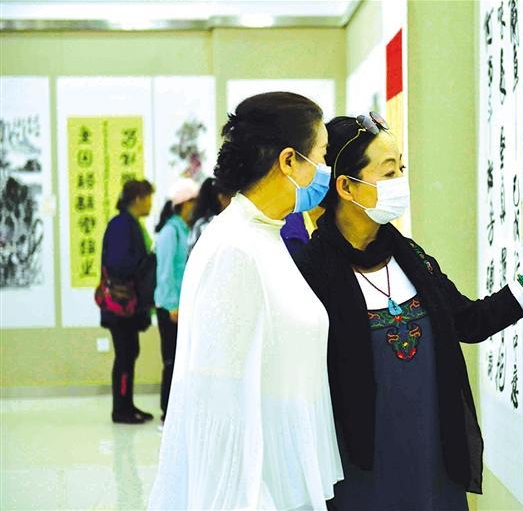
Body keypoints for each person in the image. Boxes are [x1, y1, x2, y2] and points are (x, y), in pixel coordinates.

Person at [293, 113, 523, 511]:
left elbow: (471, 321)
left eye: (401, 168)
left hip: (434, 461)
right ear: (346, 186)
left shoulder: (410, 258)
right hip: (361, 472)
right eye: (388, 172)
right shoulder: (309, 273)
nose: (400, 181)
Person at [148, 92, 343, 510]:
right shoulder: (235, 249)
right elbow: (216, 404)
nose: (326, 170)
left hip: (282, 476)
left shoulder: (264, 234)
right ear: (289, 161)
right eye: (323, 155)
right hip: (254, 492)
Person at [99, 179, 156, 425]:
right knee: (124, 355)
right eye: (148, 198)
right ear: (138, 199)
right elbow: (119, 264)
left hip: (127, 307)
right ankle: (121, 410)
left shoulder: (129, 224)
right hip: (120, 306)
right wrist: (147, 263)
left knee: (129, 353)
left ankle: (127, 405)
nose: (150, 204)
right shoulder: (122, 225)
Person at [154, 178, 199, 423]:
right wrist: (173, 305)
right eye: (193, 202)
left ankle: (178, 413)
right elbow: (165, 273)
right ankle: (166, 413)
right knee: (171, 361)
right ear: (184, 204)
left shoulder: (184, 229)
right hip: (171, 308)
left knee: (182, 362)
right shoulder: (170, 232)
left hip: (183, 306)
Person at [187, 177, 234, 253]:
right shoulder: (214, 224)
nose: (231, 201)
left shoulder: (200, 223)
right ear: (220, 197)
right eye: (230, 196)